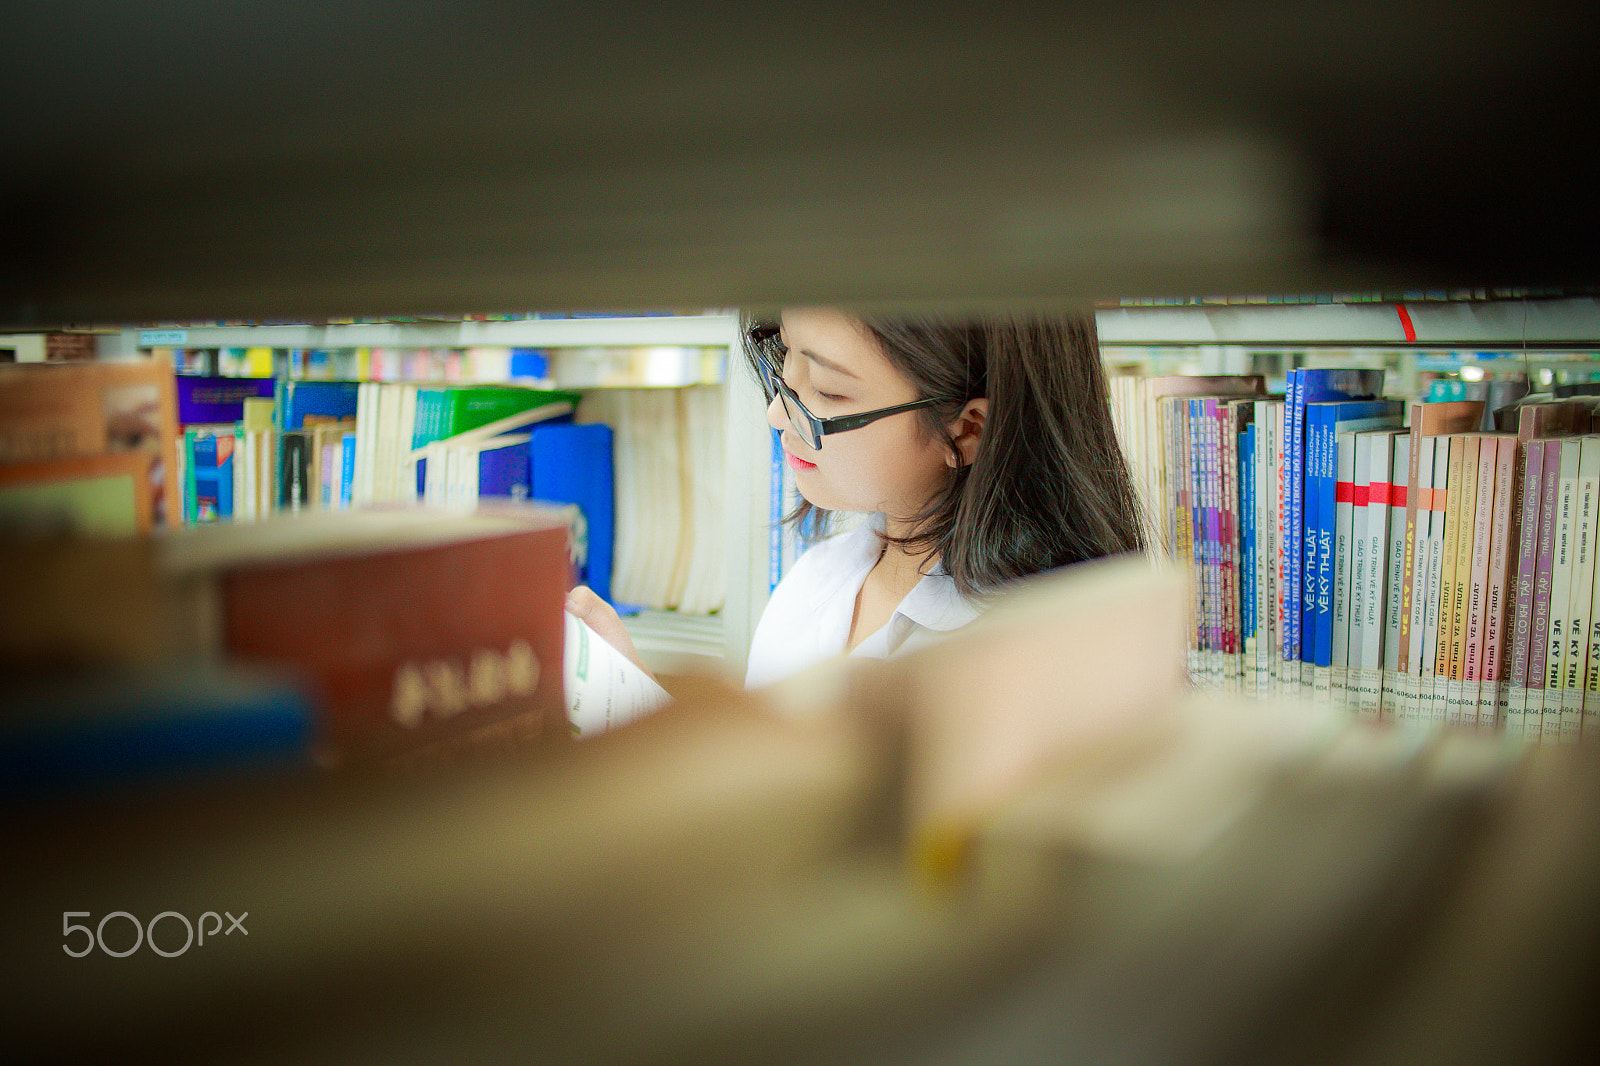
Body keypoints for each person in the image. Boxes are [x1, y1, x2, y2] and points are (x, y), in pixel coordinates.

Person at [564, 305, 1146, 689]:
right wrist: (625, 693)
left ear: (967, 430)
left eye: (829, 391)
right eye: (784, 369)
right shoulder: (817, 578)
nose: (777, 414)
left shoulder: (1045, 659)